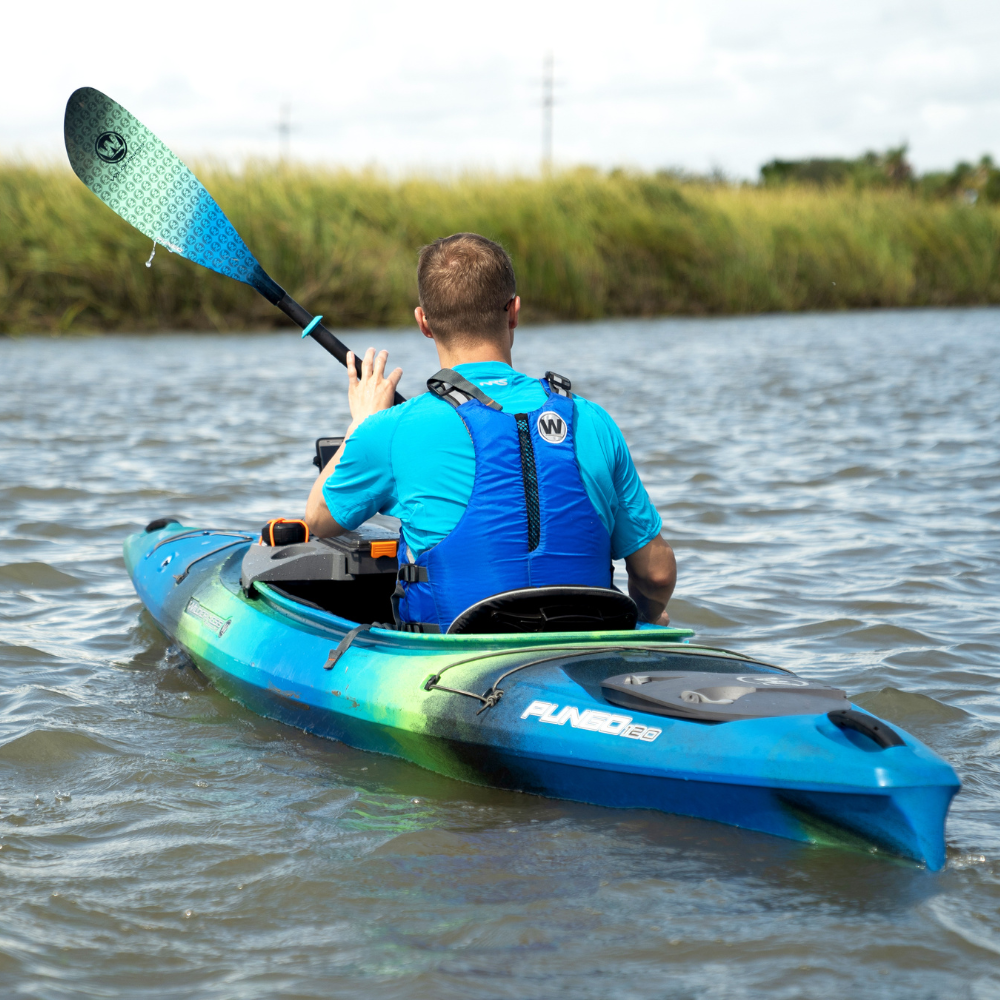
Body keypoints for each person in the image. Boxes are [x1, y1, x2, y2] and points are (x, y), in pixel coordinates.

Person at [304, 233, 676, 632]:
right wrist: (648, 618)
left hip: (455, 661)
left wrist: (360, 424)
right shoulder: (592, 420)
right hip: (583, 647)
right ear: (514, 311)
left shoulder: (391, 429)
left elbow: (318, 521)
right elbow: (656, 575)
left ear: (424, 323)